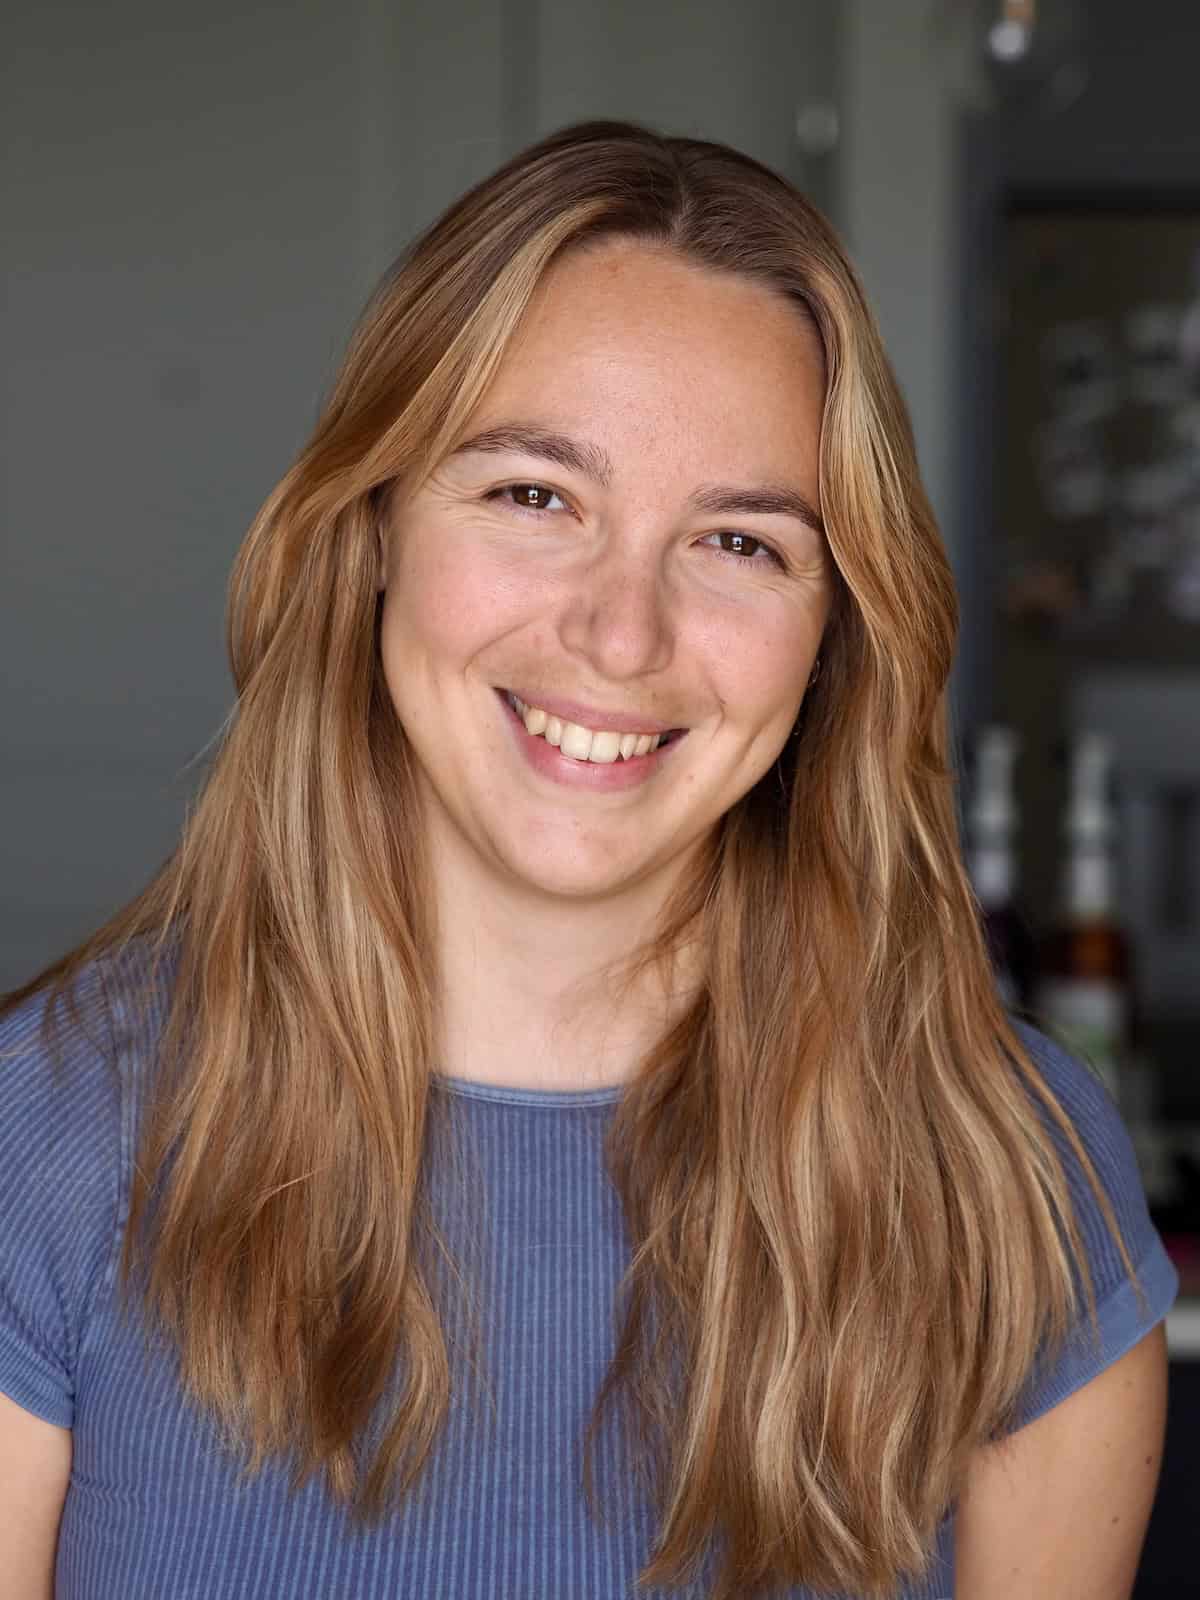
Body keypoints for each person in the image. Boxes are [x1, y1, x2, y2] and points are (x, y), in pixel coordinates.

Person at [0, 121, 1177, 1600]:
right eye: (533, 496)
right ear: (371, 537)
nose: (622, 635)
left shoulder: (1011, 1180)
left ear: (834, 640)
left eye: (741, 542)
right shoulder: (44, 1142)